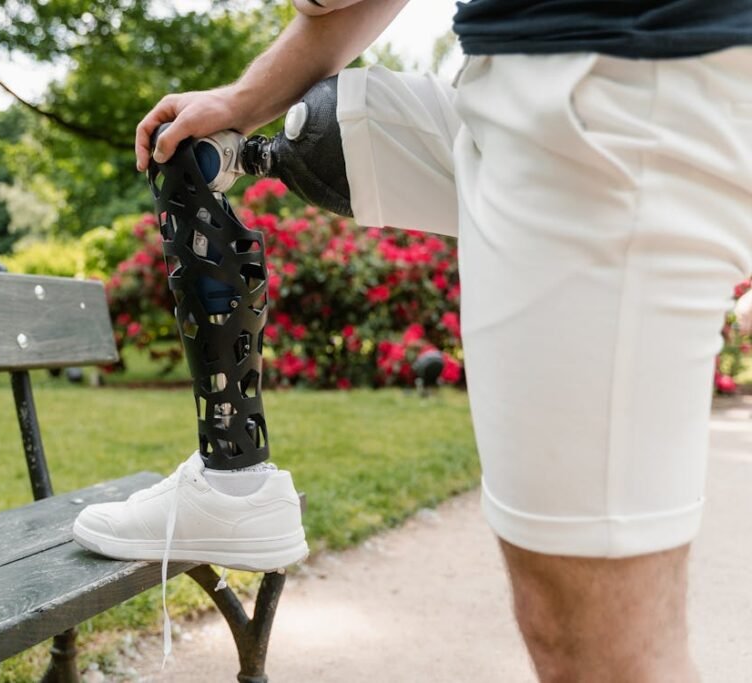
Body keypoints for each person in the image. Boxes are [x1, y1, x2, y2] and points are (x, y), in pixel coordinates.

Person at [74, 1, 752, 680]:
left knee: (599, 646)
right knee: (316, 127)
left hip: (613, 89)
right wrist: (243, 101)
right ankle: (234, 478)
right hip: (528, 78)